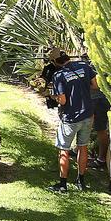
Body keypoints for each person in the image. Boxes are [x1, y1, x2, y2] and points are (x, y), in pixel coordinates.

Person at [47, 48, 98, 192]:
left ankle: (62, 184)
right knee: (83, 147)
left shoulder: (58, 75)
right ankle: (81, 181)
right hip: (88, 114)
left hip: (70, 118)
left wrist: (52, 96)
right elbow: (95, 85)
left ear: (55, 62)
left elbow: (62, 101)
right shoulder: (84, 66)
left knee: (64, 150)